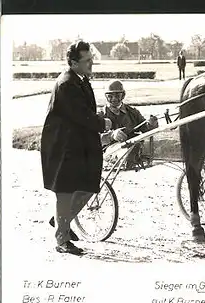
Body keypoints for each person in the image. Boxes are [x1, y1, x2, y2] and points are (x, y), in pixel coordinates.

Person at [41, 40, 112, 255]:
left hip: (78, 144)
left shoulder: (80, 80)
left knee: (89, 186)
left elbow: (84, 112)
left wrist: (98, 121)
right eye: (87, 60)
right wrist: (101, 123)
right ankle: (62, 240)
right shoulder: (66, 84)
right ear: (73, 63)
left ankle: (61, 221)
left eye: (92, 59)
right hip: (63, 147)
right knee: (65, 191)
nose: (92, 63)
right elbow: (80, 114)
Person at [100, 80, 158, 169]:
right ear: (105, 96)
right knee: (128, 151)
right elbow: (93, 139)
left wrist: (151, 124)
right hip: (111, 150)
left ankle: (131, 158)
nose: (114, 99)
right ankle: (129, 159)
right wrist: (111, 136)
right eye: (110, 96)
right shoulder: (100, 116)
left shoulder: (132, 113)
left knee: (136, 147)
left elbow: (146, 130)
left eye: (117, 95)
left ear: (123, 95)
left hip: (132, 147)